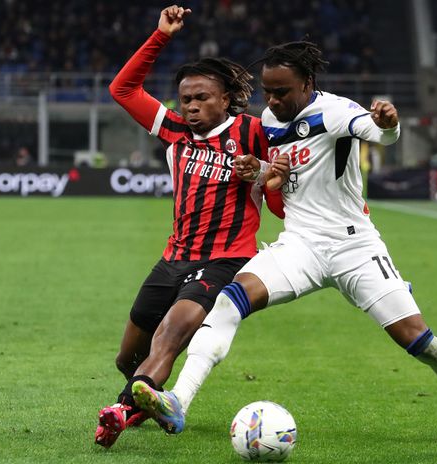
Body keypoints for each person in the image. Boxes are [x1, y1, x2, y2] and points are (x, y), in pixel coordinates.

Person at [131, 40, 437, 445]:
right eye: (267, 92)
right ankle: (177, 402)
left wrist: (389, 123)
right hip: (300, 244)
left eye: (281, 92)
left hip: (355, 248)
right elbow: (283, 180)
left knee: (419, 341)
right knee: (229, 300)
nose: (272, 102)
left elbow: (376, 131)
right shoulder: (273, 121)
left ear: (307, 84)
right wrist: (258, 170)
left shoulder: (334, 111)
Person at [95, 5, 288, 449]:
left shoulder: (256, 132)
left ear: (226, 99)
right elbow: (122, 89)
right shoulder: (176, 131)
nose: (194, 106)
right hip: (172, 258)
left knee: (171, 334)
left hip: (225, 259)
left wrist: (261, 173)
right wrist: (160, 35)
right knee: (128, 356)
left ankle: (121, 412)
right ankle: (145, 398)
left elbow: (279, 200)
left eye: (203, 98)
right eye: (187, 99)